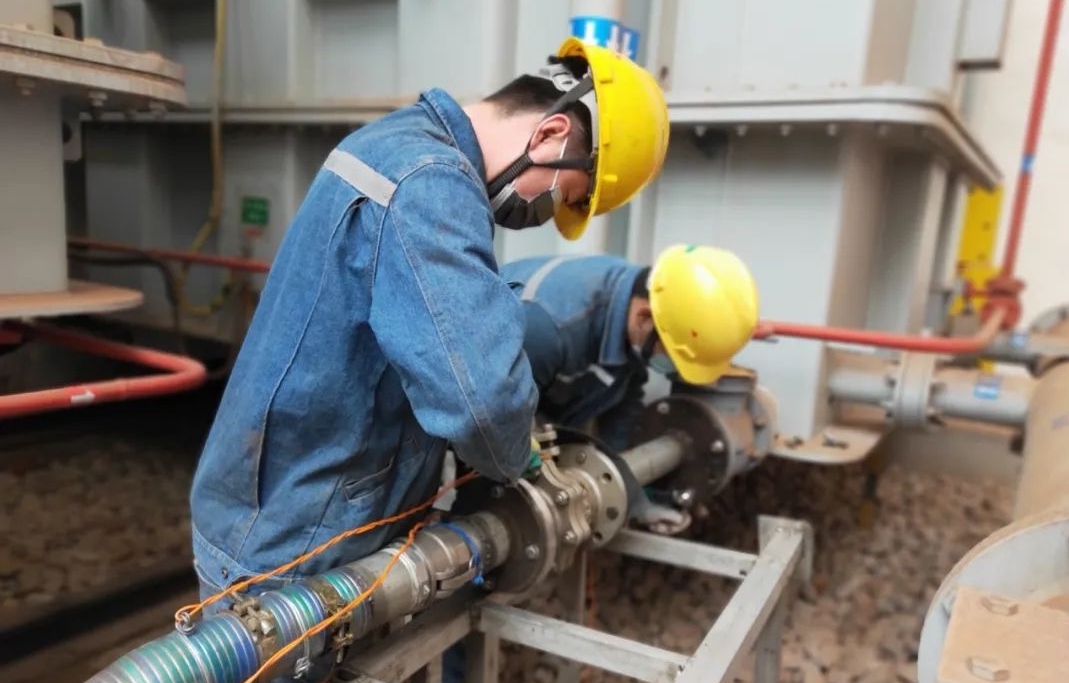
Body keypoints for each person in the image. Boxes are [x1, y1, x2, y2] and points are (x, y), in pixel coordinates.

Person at [187, 37, 669, 681]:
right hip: (299, 539)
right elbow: (484, 400)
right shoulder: (430, 186)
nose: (543, 213)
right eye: (562, 195)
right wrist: (522, 461)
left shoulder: (396, 143)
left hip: (288, 508)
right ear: (551, 133)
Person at [500, 245, 761, 532]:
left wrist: (633, 494)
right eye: (672, 358)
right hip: (478, 412)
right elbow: (494, 418)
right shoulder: (548, 328)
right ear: (644, 318)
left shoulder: (640, 310)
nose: (671, 369)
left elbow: (621, 405)